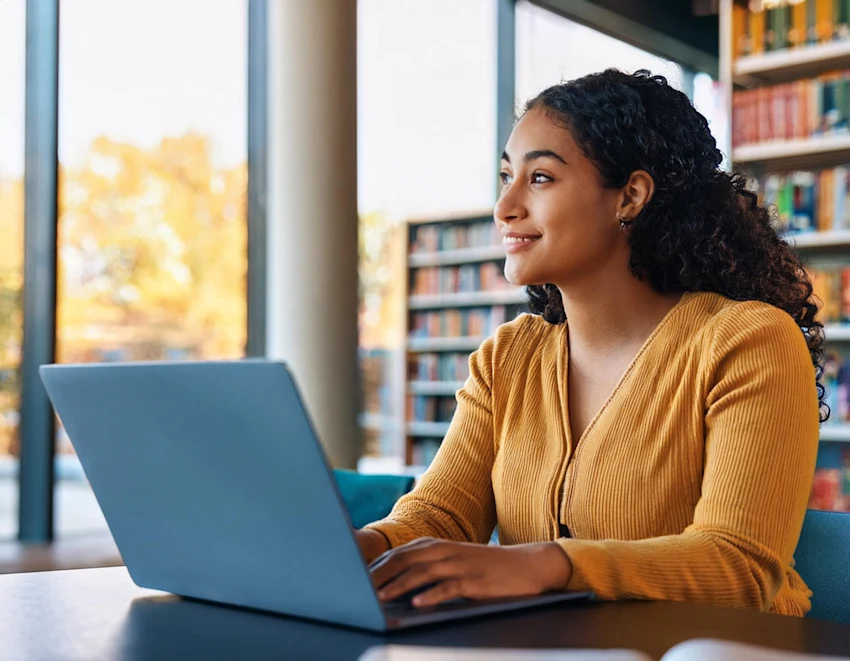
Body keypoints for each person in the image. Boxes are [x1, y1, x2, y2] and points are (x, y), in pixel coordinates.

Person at [356, 69, 824, 617]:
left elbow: (738, 564)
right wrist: (350, 549)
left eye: (541, 178)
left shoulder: (749, 343)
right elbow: (438, 518)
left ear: (630, 196)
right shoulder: (509, 357)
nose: (505, 206)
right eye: (507, 176)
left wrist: (545, 564)